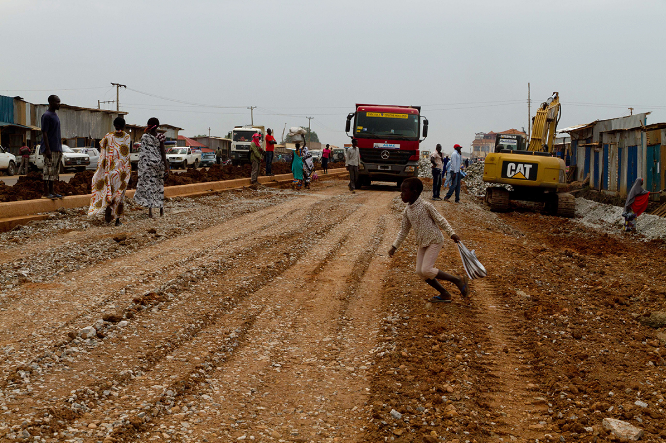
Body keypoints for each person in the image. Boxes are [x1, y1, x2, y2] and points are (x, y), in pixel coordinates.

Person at [389, 177, 469, 303]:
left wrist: (452, 233)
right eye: (401, 191)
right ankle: (444, 294)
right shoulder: (407, 211)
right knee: (420, 272)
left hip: (434, 240)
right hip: (422, 243)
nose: (401, 195)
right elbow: (403, 231)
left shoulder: (426, 206)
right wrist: (394, 246)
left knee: (426, 269)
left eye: (404, 191)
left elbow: (440, 220)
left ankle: (457, 280)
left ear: (414, 192)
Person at [88, 116, 131, 226]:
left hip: (110, 171)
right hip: (122, 172)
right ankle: (117, 220)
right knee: (119, 196)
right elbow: (126, 156)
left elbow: (102, 146)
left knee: (109, 193)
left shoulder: (108, 136)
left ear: (114, 125)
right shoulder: (127, 137)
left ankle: (108, 210)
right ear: (124, 125)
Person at [134, 118, 170, 218]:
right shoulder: (161, 136)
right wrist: (166, 167)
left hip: (148, 166)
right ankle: (161, 210)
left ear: (148, 125)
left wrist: (141, 168)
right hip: (159, 165)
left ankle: (150, 212)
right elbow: (163, 152)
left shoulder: (144, 137)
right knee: (159, 186)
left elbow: (143, 154)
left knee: (149, 187)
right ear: (158, 126)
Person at [40, 95, 63, 199]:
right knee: (47, 170)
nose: (59, 104)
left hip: (57, 148)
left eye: (59, 102)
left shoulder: (55, 115)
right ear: (50, 102)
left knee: (54, 171)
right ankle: (46, 192)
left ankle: (52, 191)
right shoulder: (46, 115)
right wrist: (48, 149)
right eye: (57, 102)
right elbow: (44, 133)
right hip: (50, 148)